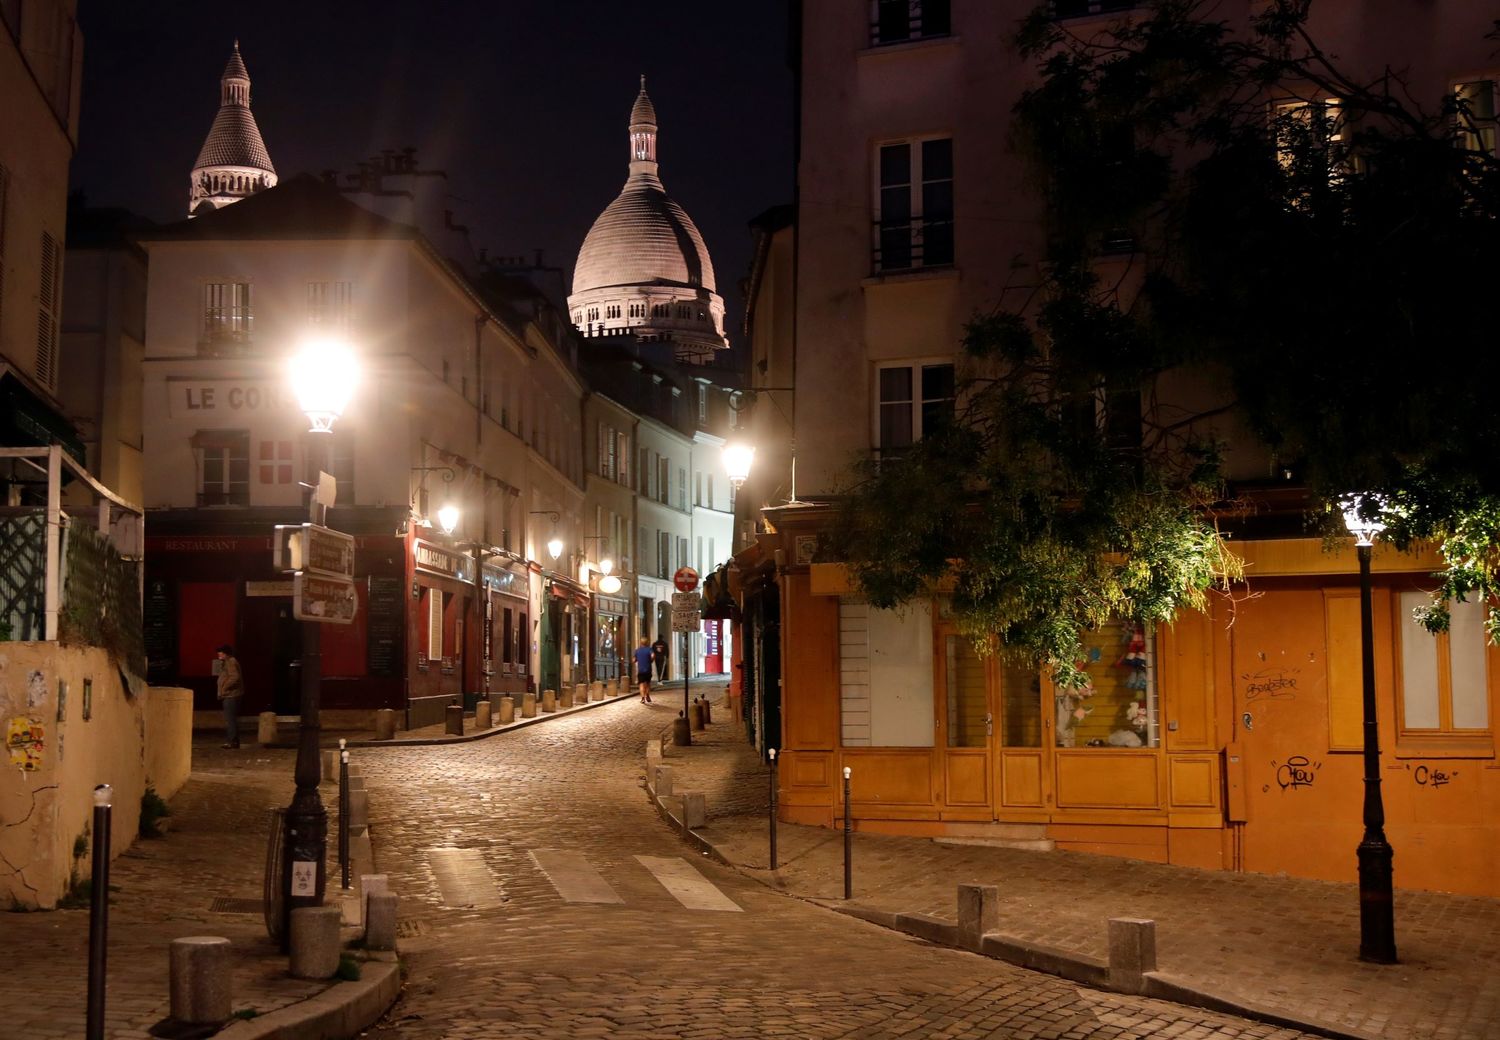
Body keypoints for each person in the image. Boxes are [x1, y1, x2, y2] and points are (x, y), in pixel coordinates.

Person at [216, 644, 244, 748]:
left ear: (226, 654)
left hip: (231, 695)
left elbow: (234, 677)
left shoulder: (230, 661)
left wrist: (224, 688)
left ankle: (232, 742)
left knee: (230, 719)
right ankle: (233, 741)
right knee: (231, 719)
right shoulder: (227, 662)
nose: (219, 654)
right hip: (231, 695)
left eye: (221, 652)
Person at [633, 637, 655, 703]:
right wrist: (651, 660)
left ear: (641, 643)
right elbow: (653, 655)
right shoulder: (649, 649)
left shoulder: (637, 650)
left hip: (641, 670)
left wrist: (637, 660)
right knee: (648, 684)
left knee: (641, 684)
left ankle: (643, 698)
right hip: (648, 669)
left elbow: (633, 660)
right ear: (647, 643)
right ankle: (647, 695)